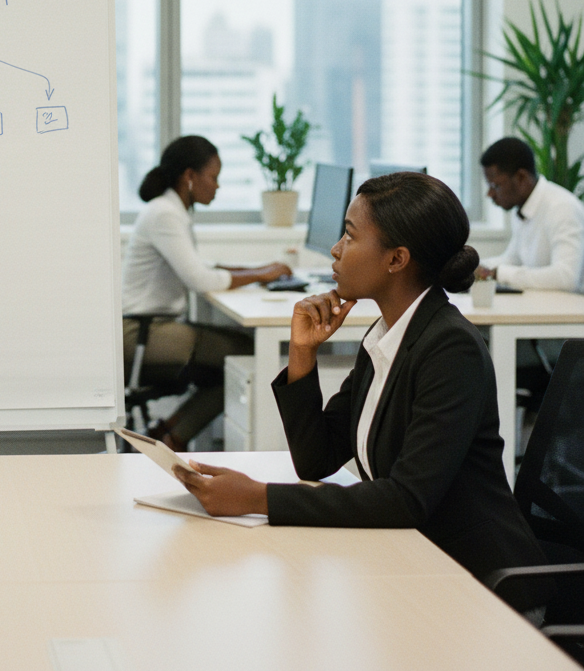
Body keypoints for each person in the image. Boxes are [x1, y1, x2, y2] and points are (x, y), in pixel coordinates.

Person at [174, 172, 546, 586]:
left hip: (482, 581)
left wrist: (258, 497)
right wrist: (302, 352)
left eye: (350, 236)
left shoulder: (450, 349)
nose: (335, 249)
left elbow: (406, 500)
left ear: (396, 259)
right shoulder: (387, 334)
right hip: (413, 562)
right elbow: (316, 459)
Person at [122, 135, 291, 450]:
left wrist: (252, 270)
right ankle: (171, 440)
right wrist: (260, 274)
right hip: (142, 333)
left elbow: (200, 265)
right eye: (213, 177)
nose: (217, 186)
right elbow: (200, 279)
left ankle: (166, 435)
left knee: (232, 361)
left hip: (152, 327)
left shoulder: (171, 210)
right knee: (244, 352)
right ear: (189, 176)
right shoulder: (165, 214)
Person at [477, 137, 584, 292]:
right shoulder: (522, 208)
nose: (490, 194)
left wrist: (496, 273)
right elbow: (513, 260)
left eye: (496, 185)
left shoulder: (561, 207)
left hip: (572, 312)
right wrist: (475, 268)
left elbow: (566, 277)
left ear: (521, 177)